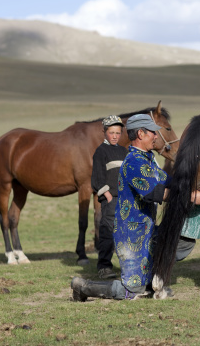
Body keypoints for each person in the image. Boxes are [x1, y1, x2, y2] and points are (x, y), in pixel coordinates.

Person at [72, 114, 200, 301]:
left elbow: (168, 181)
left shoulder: (148, 160)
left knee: (183, 241)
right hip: (132, 235)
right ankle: (83, 287)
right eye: (153, 132)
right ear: (141, 134)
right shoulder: (134, 163)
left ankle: (153, 281)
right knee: (132, 291)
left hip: (148, 230)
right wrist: (190, 197)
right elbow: (153, 192)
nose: (156, 136)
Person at [91, 115, 128, 279]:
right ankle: (104, 267)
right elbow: (97, 178)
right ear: (104, 132)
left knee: (124, 233)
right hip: (110, 200)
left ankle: (127, 265)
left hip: (124, 199)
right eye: (111, 132)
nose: (115, 136)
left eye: (118, 133)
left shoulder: (123, 151)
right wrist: (107, 195)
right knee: (107, 233)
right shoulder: (101, 151)